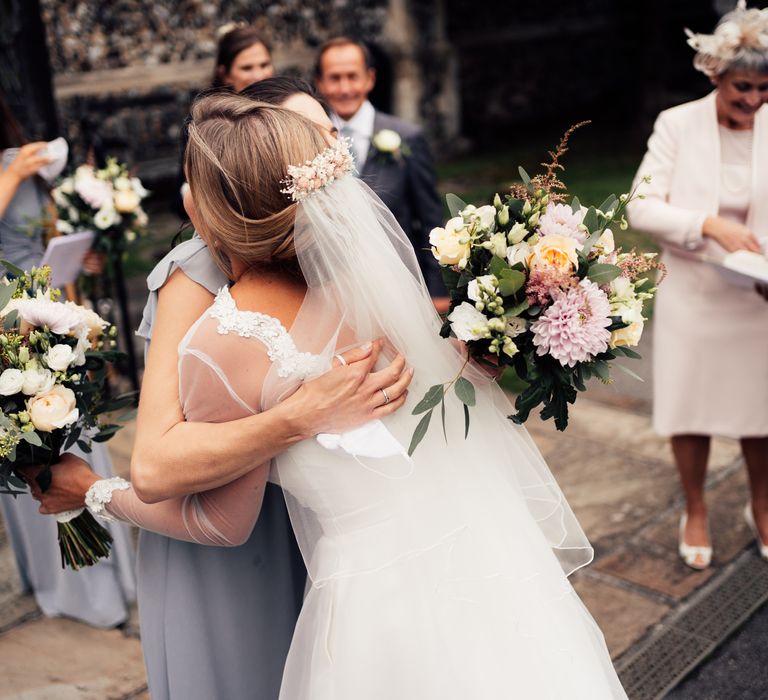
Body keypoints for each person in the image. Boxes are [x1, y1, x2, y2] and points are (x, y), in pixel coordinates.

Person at [39, 93, 625, 698]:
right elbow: (460, 391)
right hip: (493, 560)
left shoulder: (224, 340)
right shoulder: (379, 287)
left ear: (212, 208)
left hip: (382, 603)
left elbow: (219, 521)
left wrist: (91, 489)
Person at [29, 78, 411, 700]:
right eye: (307, 140)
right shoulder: (195, 275)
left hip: (315, 528)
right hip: (223, 543)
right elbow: (160, 463)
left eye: (328, 139)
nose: (324, 156)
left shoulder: (341, 264)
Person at [627, 0, 768, 569]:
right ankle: (696, 506)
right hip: (693, 293)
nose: (753, 100)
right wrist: (707, 225)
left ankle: (762, 502)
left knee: (761, 410)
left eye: (763, 88)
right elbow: (640, 207)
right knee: (691, 410)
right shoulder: (677, 123)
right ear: (715, 76)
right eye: (741, 87)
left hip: (757, 301)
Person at [0, 91, 136, 627]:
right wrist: (12, 178)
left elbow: (52, 243)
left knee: (67, 432)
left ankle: (99, 577)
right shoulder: (16, 171)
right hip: (5, 320)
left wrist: (77, 281)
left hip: (47, 309)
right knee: (23, 447)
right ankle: (61, 581)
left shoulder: (27, 161)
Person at [314, 37, 445, 296]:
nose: (345, 87)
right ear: (320, 83)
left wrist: (438, 292)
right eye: (334, 77)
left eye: (353, 76)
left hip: (400, 284)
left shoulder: (407, 137)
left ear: (370, 79)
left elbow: (431, 221)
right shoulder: (311, 140)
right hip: (336, 288)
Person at [175, 24, 276, 216]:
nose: (259, 75)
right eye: (247, 68)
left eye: (264, 65)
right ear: (226, 74)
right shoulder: (203, 121)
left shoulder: (287, 107)